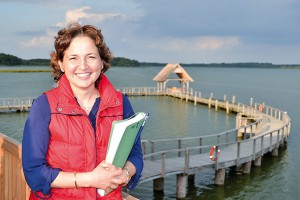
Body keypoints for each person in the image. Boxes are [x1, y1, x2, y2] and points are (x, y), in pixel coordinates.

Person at [22, 23, 143, 200]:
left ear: (102, 62)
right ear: (61, 64)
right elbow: (34, 173)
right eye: (73, 58)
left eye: (91, 57)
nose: (83, 66)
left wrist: (125, 173)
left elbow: (136, 155)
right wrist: (91, 179)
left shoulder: (121, 103)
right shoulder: (44, 106)